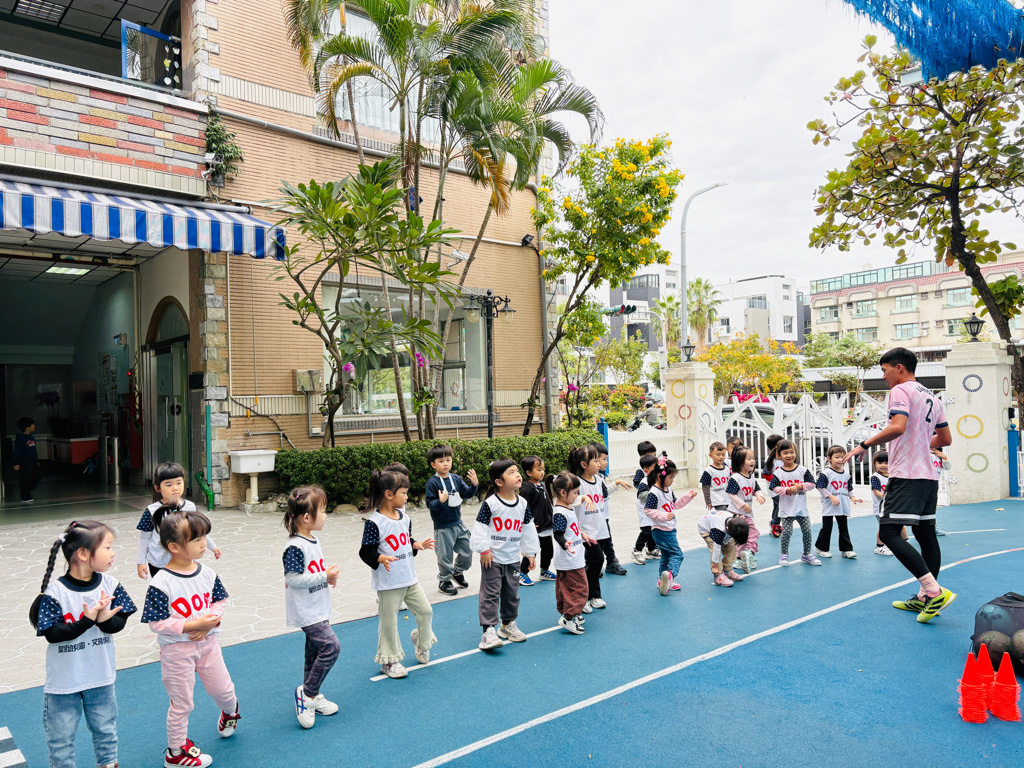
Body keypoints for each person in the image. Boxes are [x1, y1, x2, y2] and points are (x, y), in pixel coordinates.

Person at [845, 347, 956, 623]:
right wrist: (921, 444)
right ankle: (925, 597)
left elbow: (898, 426)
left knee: (888, 531)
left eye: (884, 371)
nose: (883, 377)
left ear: (899, 368)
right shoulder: (932, 397)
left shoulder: (900, 391)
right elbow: (945, 439)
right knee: (925, 534)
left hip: (907, 475)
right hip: (928, 477)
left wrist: (864, 444)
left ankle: (933, 591)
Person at [30, 520, 137, 768]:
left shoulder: (110, 584)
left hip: (101, 677)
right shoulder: (55, 592)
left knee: (105, 730)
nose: (113, 553)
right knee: (61, 739)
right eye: (108, 547)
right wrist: (88, 620)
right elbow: (53, 633)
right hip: (63, 683)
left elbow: (120, 621)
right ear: (83, 554)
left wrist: (104, 620)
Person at [140, 507, 240, 767]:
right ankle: (175, 753)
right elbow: (156, 622)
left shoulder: (208, 573)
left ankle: (230, 712)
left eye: (204, 537)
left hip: (209, 645)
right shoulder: (161, 582)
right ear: (174, 547)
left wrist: (211, 622)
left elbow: (219, 601)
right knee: (181, 703)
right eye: (196, 539)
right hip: (176, 651)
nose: (203, 543)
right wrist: (192, 625)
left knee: (225, 691)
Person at [359, 469, 436, 679]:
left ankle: (421, 641)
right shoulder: (374, 523)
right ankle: (389, 660)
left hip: (409, 579)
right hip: (388, 584)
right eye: (404, 492)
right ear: (388, 494)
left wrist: (416, 544)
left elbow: (406, 539)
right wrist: (380, 558)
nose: (407, 497)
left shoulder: (405, 517)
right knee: (389, 623)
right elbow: (365, 551)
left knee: (425, 611)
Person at [282, 486, 340, 729]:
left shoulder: (313, 540)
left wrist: (327, 577)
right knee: (331, 647)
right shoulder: (295, 546)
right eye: (323, 511)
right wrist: (323, 576)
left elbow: (313, 572)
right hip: (307, 611)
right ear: (306, 517)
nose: (326, 516)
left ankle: (312, 696)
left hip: (318, 606)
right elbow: (293, 578)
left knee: (314, 653)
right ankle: (308, 693)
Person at [470, 458, 540, 650]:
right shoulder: (491, 503)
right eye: (511, 473)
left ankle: (507, 625)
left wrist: (530, 552)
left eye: (517, 471)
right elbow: (480, 527)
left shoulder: (523, 504)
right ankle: (488, 631)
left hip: (513, 560)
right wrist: (484, 549)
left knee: (511, 594)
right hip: (492, 560)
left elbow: (528, 529)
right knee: (490, 594)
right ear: (499, 482)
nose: (518, 475)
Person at [136, 463, 220, 580]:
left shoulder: (190, 506)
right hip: (158, 563)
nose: (175, 488)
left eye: (179, 483)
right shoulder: (151, 510)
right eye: (169, 484)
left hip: (184, 559)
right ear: (157, 488)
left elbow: (199, 531)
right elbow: (144, 539)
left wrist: (213, 547)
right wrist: (140, 562)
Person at [424, 445, 478, 596]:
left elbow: (467, 494)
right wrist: (440, 501)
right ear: (433, 465)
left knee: (468, 549)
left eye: (448, 460)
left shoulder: (456, 479)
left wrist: (474, 484)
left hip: (458, 523)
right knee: (445, 555)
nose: (445, 464)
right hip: (443, 526)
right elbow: (430, 504)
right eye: (441, 461)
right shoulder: (432, 483)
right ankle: (444, 581)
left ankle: (457, 572)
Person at [644, 456, 700, 595]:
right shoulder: (654, 493)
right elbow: (648, 510)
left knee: (666, 555)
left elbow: (675, 505)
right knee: (677, 554)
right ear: (660, 476)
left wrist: (687, 497)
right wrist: (663, 516)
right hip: (661, 530)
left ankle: (662, 580)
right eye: (671, 477)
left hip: (668, 528)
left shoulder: (668, 490)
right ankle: (670, 576)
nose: (672, 481)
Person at [549, 471, 593, 635]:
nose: (577, 496)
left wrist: (582, 534)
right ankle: (568, 617)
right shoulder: (560, 512)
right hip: (570, 558)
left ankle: (570, 613)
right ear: (563, 492)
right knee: (580, 588)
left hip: (571, 557)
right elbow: (558, 533)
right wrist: (565, 544)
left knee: (566, 588)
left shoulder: (567, 508)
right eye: (575, 493)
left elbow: (570, 529)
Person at [767, 439, 819, 567]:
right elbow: (774, 488)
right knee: (787, 533)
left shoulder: (802, 470)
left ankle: (807, 554)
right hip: (786, 510)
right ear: (779, 455)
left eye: (792, 452)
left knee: (807, 531)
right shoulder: (778, 473)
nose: (789, 455)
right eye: (785, 453)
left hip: (801, 509)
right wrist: (787, 490)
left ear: (796, 453)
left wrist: (801, 486)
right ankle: (784, 555)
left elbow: (812, 484)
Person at [571, 445, 611, 612]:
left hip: (599, 529)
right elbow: (568, 500)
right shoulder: (577, 482)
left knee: (595, 563)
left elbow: (604, 495)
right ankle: (584, 597)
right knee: (597, 560)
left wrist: (616, 484)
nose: (599, 463)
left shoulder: (599, 480)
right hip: (586, 531)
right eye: (595, 460)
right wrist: (582, 498)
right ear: (583, 465)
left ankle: (594, 595)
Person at [815, 446, 863, 559]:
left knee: (843, 528)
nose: (840, 460)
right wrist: (831, 496)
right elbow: (820, 486)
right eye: (837, 457)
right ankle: (821, 548)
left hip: (842, 505)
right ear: (829, 458)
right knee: (827, 527)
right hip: (829, 505)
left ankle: (846, 550)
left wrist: (853, 498)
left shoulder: (846, 475)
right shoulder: (826, 473)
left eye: (842, 457)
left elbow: (849, 488)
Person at [592, 442, 632, 576]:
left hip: (604, 516)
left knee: (607, 542)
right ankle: (592, 566)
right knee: (594, 543)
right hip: (593, 517)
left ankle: (612, 563)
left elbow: (604, 493)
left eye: (606, 459)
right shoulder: (586, 480)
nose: (606, 462)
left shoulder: (600, 477)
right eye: (603, 459)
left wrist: (617, 483)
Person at [726, 447, 766, 573]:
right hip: (737, 514)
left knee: (749, 534)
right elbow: (731, 495)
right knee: (749, 534)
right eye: (749, 459)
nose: (752, 461)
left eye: (753, 458)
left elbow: (756, 489)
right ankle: (743, 556)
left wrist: (759, 496)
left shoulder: (751, 477)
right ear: (739, 462)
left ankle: (746, 555)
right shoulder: (735, 478)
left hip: (746, 513)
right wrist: (743, 505)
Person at [520, 456, 555, 581]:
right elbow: (524, 507)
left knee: (548, 550)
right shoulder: (527, 489)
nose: (542, 472)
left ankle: (544, 570)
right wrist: (529, 522)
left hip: (546, 525)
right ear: (529, 473)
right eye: (539, 470)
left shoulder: (543, 485)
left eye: (543, 469)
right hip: (535, 526)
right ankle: (522, 573)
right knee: (532, 550)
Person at [696, 509, 749, 587]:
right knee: (714, 548)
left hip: (721, 527)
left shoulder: (735, 522)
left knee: (731, 546)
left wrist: (726, 542)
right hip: (706, 529)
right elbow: (716, 549)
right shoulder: (718, 530)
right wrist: (714, 566)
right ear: (727, 529)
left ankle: (727, 571)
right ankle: (718, 576)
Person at [870, 451, 906, 556]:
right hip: (881, 508)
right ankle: (879, 547)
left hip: (892, 507)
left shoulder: (892, 476)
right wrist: (890, 498)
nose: (883, 465)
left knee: (899, 525)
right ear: (874, 463)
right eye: (880, 463)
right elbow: (876, 492)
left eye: (886, 463)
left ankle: (905, 544)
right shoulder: (875, 477)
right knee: (883, 527)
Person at [631, 453, 660, 564]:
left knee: (653, 531)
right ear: (646, 470)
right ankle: (637, 550)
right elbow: (641, 495)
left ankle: (651, 549)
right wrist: (653, 494)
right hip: (645, 512)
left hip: (653, 512)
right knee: (646, 531)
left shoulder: (657, 480)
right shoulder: (644, 482)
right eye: (654, 467)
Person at [13, 415, 40, 503]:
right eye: (32, 425)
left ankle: (26, 491)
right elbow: (17, 451)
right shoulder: (21, 438)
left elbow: (33, 449)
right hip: (24, 461)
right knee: (25, 478)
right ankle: (24, 496)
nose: (34, 426)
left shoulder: (31, 437)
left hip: (33, 460)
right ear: (27, 427)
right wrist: (16, 463)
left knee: (37, 477)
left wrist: (36, 460)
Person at [699, 441, 731, 511]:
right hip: (716, 502)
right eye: (718, 455)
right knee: (726, 515)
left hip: (728, 500)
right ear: (710, 455)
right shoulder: (709, 471)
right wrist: (708, 502)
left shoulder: (727, 469)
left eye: (723, 455)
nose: (721, 457)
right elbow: (705, 487)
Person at [762, 434, 784, 537]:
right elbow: (766, 474)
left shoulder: (783, 458)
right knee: (781, 505)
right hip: (774, 489)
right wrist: (777, 481)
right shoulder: (770, 459)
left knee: (777, 506)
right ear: (776, 447)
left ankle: (774, 522)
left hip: (783, 488)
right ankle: (775, 524)